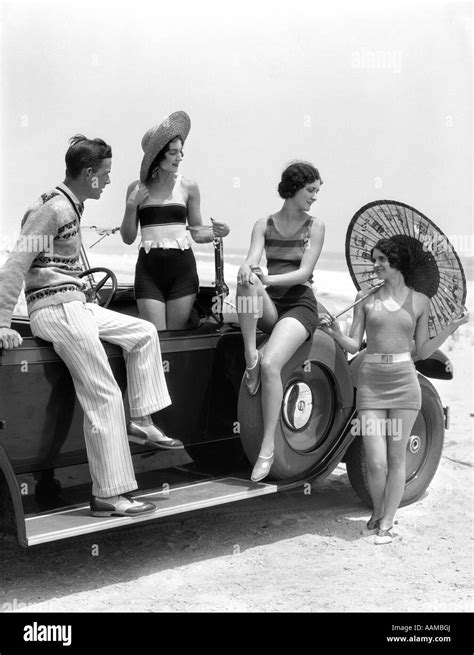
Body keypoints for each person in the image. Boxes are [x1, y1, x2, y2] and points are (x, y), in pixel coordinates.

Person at [0, 134, 185, 518]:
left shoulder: (73, 205)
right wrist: (2, 321)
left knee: (143, 333)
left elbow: (55, 264)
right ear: (88, 174)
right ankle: (109, 495)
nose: (110, 181)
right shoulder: (51, 209)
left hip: (75, 302)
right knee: (104, 395)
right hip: (57, 310)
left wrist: (80, 284)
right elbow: (17, 264)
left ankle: (141, 419)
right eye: (106, 174)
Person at [320, 238, 469, 544]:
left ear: (397, 263)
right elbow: (353, 344)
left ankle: (387, 521)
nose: (374, 265)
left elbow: (424, 350)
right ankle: (378, 512)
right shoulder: (365, 298)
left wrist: (451, 327)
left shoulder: (419, 302)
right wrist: (334, 332)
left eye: (381, 260)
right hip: (371, 383)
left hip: (404, 384)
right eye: (373, 259)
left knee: (396, 458)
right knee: (375, 461)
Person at [236, 161, 325, 482]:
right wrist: (249, 269)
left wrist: (268, 278)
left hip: (299, 305)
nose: (314, 197)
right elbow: (251, 258)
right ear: (293, 188)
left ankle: (267, 449)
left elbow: (303, 273)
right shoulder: (263, 224)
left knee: (272, 364)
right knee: (243, 279)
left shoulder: (315, 227)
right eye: (310, 190)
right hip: (272, 305)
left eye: (317, 191)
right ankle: (250, 355)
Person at [120, 111, 230, 331]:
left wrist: (219, 232)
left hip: (182, 270)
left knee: (175, 337)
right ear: (157, 157)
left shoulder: (189, 187)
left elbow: (198, 234)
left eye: (181, 152)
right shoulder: (136, 189)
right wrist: (132, 206)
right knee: (155, 336)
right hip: (148, 271)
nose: (180, 157)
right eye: (173, 153)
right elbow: (128, 238)